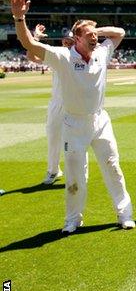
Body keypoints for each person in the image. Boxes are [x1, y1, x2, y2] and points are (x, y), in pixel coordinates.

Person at [11, 0, 135, 233]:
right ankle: (73, 220)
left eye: (96, 35)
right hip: (73, 124)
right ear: (76, 38)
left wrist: (94, 30)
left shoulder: (101, 52)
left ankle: (125, 214)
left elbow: (119, 33)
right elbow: (29, 44)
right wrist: (19, 19)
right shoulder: (62, 57)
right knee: (75, 176)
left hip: (100, 121)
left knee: (113, 167)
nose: (95, 38)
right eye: (88, 35)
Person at [25, 24, 73, 185]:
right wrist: (36, 37)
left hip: (77, 105)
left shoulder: (86, 53)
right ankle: (53, 171)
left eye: (71, 39)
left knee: (76, 141)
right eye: (66, 40)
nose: (68, 43)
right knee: (53, 137)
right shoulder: (57, 54)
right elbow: (32, 57)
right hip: (57, 104)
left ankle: (78, 173)